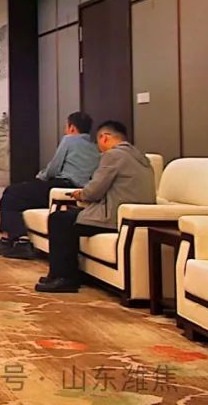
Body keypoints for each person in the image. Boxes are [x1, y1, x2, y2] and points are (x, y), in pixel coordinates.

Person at [36, 120, 155, 293]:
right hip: (134, 218)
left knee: (59, 219)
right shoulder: (141, 158)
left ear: (105, 137)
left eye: (98, 141)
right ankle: (61, 274)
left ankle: (64, 277)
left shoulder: (113, 155)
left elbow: (94, 191)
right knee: (68, 218)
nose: (99, 147)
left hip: (112, 217)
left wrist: (80, 194)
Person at [0, 111, 100, 259]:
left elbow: (54, 168)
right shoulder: (96, 147)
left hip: (62, 186)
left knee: (11, 192)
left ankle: (12, 241)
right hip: (78, 191)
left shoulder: (70, 140)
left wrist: (40, 176)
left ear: (72, 127)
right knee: (16, 198)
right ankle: (15, 240)